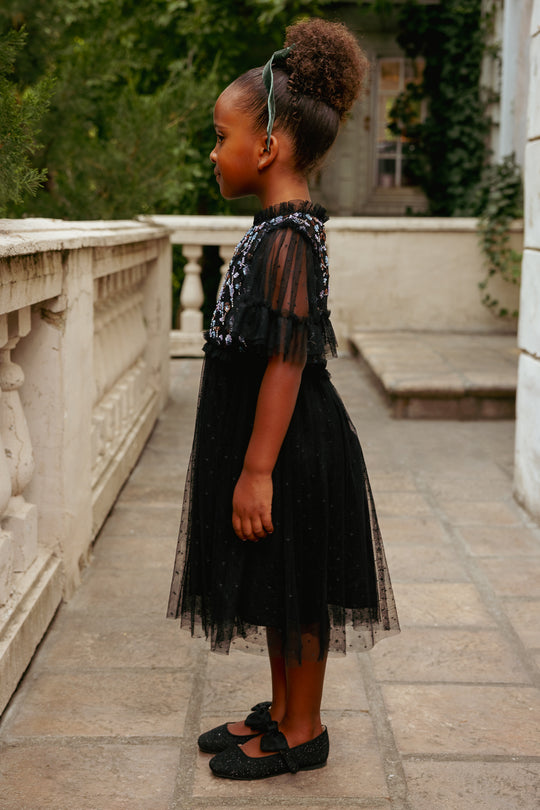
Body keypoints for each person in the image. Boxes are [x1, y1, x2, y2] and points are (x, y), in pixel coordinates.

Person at [167, 17, 400, 781]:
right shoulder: (276, 228)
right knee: (279, 580)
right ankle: (281, 705)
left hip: (294, 445)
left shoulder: (290, 240)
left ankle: (304, 728)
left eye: (220, 135)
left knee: (301, 594)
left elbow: (289, 360)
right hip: (275, 439)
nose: (214, 150)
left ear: (265, 148)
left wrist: (257, 468)